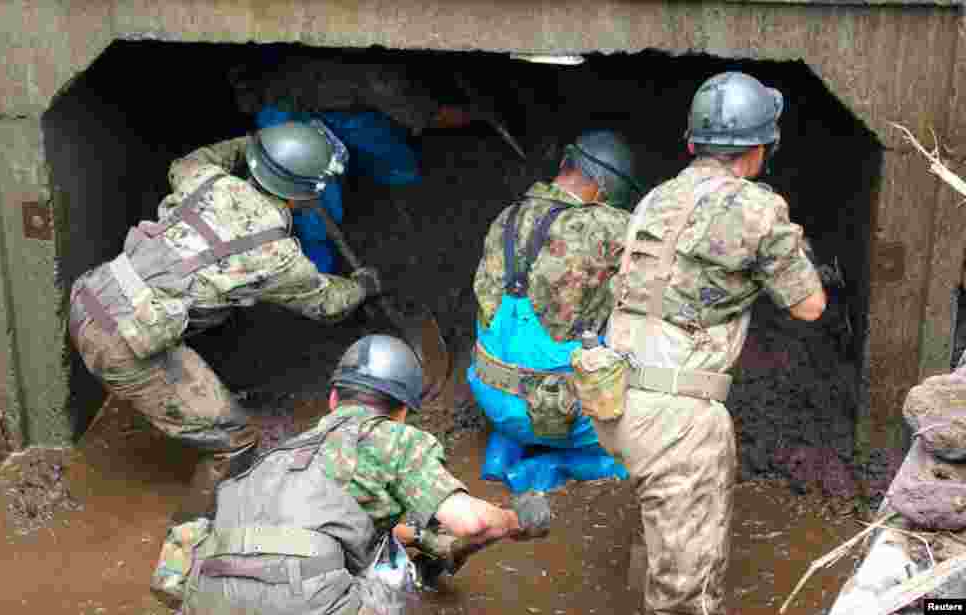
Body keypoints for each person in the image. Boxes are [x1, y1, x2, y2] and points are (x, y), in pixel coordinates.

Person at [591, 72, 828, 615]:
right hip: (677, 414)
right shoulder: (758, 208)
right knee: (686, 592)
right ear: (761, 147)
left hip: (616, 395)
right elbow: (809, 306)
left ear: (694, 141)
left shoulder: (656, 198)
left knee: (658, 536)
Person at [68, 119, 383, 523]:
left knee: (215, 306)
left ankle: (203, 396)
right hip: (122, 345)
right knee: (236, 441)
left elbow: (194, 158)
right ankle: (187, 549)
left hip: (91, 295)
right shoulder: (277, 256)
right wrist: (363, 285)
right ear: (305, 196)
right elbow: (328, 304)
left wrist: (253, 144)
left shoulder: (204, 178)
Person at [180, 334, 525, 614]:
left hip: (208, 595)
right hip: (301, 601)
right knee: (390, 575)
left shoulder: (282, 456)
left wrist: (423, 539)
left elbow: (318, 529)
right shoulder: (393, 440)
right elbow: (473, 522)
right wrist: (516, 520)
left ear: (333, 399)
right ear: (402, 411)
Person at [468, 130, 647, 494]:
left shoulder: (506, 217)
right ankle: (551, 465)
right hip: (559, 414)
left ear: (566, 164)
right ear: (603, 192)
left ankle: (501, 453)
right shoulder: (608, 227)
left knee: (512, 350)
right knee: (647, 440)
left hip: (491, 398)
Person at [230, 54, 475, 274]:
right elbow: (431, 115)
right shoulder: (383, 79)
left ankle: (386, 181)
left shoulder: (380, 72)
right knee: (312, 194)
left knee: (385, 149)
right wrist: (478, 114)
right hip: (283, 105)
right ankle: (318, 272)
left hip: (332, 98)